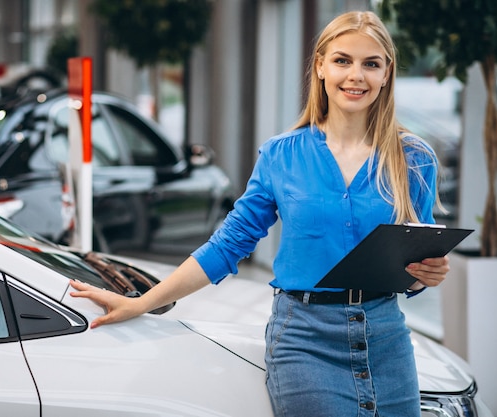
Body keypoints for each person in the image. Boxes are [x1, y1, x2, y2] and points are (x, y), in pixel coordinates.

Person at [70, 10, 450, 417]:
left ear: (386, 73)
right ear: (320, 65)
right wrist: (142, 302)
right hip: (306, 342)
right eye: (342, 60)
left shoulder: (414, 159)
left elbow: (410, 265)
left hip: (387, 340)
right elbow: (228, 244)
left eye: (370, 64)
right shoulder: (281, 155)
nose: (356, 75)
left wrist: (424, 276)